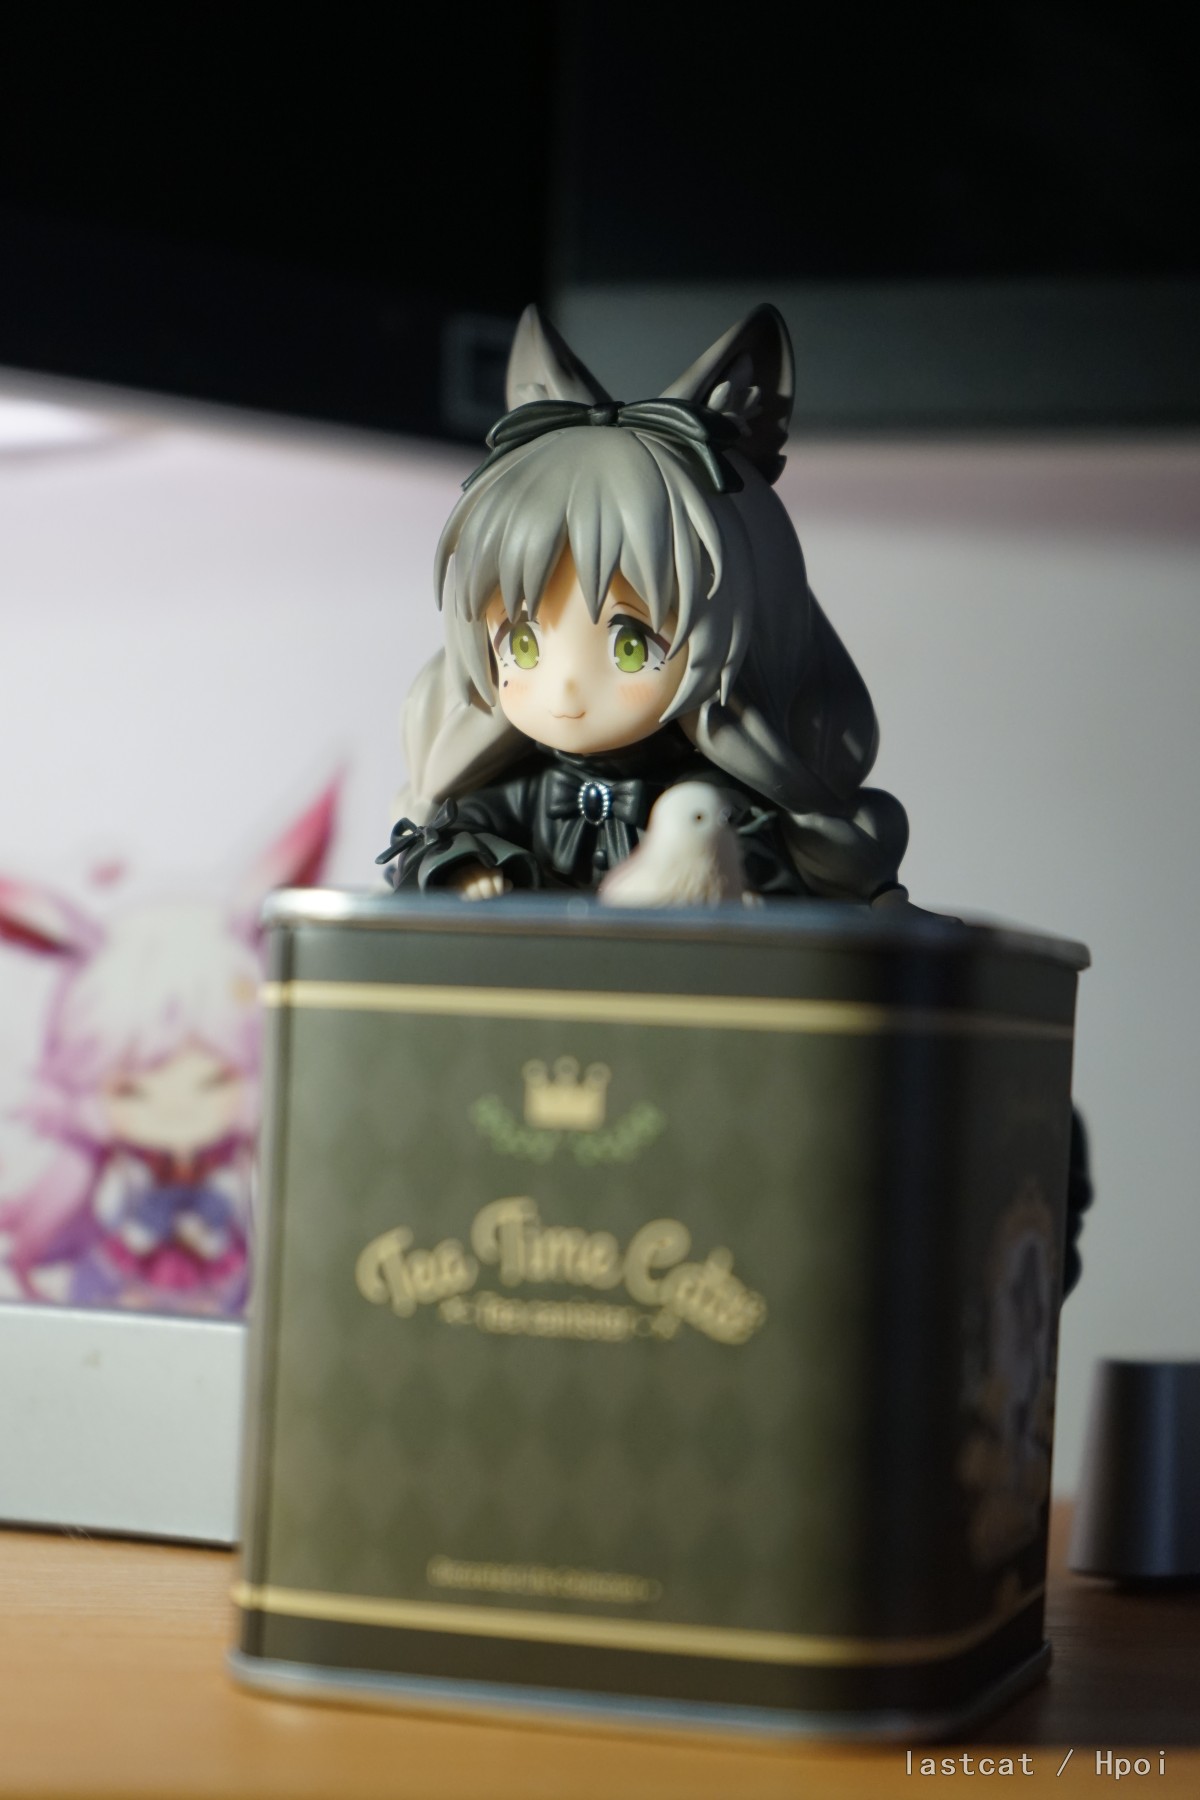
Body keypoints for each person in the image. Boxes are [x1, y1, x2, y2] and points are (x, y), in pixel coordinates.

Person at [378, 305, 910, 905]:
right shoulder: (522, 791)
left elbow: (766, 860)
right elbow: (446, 836)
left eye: (630, 646)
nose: (566, 690)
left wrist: (718, 873)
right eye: (522, 644)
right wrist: (465, 866)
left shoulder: (706, 798)